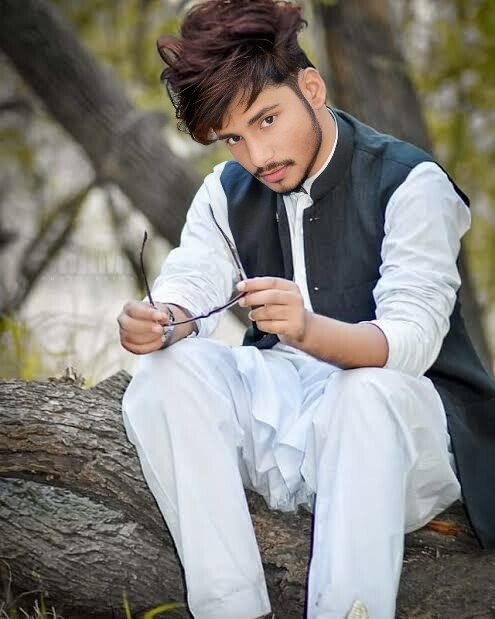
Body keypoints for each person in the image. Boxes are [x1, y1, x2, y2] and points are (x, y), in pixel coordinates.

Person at [117, 1, 495, 617]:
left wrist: (310, 330)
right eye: (234, 138)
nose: (257, 155)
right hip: (289, 420)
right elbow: (192, 280)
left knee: (363, 392)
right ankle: (231, 608)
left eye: (267, 120)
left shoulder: (410, 182)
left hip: (406, 434)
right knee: (165, 373)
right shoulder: (224, 191)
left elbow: (412, 340)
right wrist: (162, 320)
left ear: (311, 89)